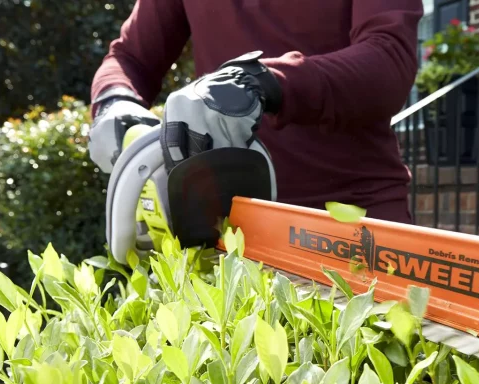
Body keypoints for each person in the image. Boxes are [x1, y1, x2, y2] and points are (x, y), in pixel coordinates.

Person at [88, 0, 424, 224]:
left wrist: (265, 81)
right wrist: (114, 99)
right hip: (226, 224)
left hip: (352, 217)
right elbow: (130, 58)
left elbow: (389, 58)